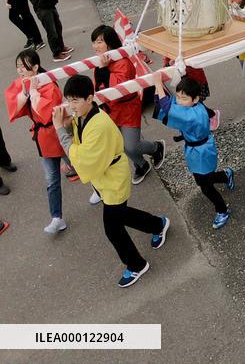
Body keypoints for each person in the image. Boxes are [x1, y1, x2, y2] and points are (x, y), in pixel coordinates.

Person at [53, 75, 171, 288]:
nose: (71, 106)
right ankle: (158, 224)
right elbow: (81, 146)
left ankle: (137, 265)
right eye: (69, 100)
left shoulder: (97, 124)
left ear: (90, 98)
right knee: (121, 215)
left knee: (112, 227)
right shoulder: (85, 115)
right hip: (106, 177)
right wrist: (68, 126)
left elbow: (81, 158)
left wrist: (60, 130)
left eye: (75, 101)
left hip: (113, 179)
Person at [5, 49, 81, 233]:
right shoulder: (23, 84)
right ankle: (56, 217)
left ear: (36, 67)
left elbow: (46, 112)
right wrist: (26, 93)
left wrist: (32, 92)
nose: (20, 71)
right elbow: (14, 106)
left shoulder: (48, 84)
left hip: (59, 133)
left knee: (81, 164)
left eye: (24, 67)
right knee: (52, 180)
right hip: (44, 138)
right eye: (18, 67)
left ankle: (100, 191)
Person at [152, 74, 234, 229]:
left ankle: (223, 210)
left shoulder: (193, 115)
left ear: (196, 99)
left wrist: (157, 83)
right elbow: (165, 104)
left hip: (202, 151)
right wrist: (159, 87)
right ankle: (225, 175)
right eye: (177, 96)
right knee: (203, 178)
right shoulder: (193, 106)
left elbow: (167, 107)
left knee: (205, 186)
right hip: (196, 149)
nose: (179, 101)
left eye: (184, 98)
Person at [92, 25, 165, 185]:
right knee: (120, 144)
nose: (95, 46)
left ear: (110, 43)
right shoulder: (100, 63)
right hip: (110, 109)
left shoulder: (123, 63)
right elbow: (97, 87)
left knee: (131, 146)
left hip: (127, 108)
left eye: (99, 42)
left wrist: (103, 70)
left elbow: (118, 91)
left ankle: (156, 147)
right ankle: (141, 164)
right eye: (94, 42)